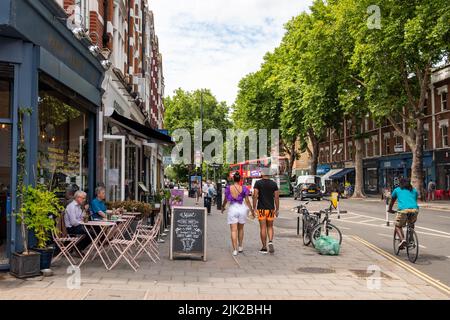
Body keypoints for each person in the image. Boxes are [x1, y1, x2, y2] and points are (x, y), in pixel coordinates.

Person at [221, 172, 254, 256]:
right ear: (240, 180)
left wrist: (222, 207)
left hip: (233, 209)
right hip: (242, 208)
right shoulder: (244, 188)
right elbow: (247, 201)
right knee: (241, 229)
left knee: (233, 230)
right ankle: (240, 246)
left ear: (233, 179)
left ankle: (235, 250)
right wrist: (252, 210)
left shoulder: (228, 188)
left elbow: (225, 200)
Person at [252, 168, 279, 254]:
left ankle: (264, 247)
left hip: (261, 209)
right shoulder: (274, 184)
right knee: (270, 227)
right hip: (271, 209)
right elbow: (277, 197)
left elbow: (255, 195)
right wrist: (277, 209)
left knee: (263, 227)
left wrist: (254, 207)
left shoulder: (258, 183)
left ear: (262, 173)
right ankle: (270, 241)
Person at [388, 178, 419, 250]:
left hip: (403, 210)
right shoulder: (414, 190)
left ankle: (402, 240)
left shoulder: (397, 190)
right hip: (414, 210)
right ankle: (411, 239)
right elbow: (414, 200)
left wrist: (390, 209)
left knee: (397, 225)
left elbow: (392, 201)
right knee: (411, 224)